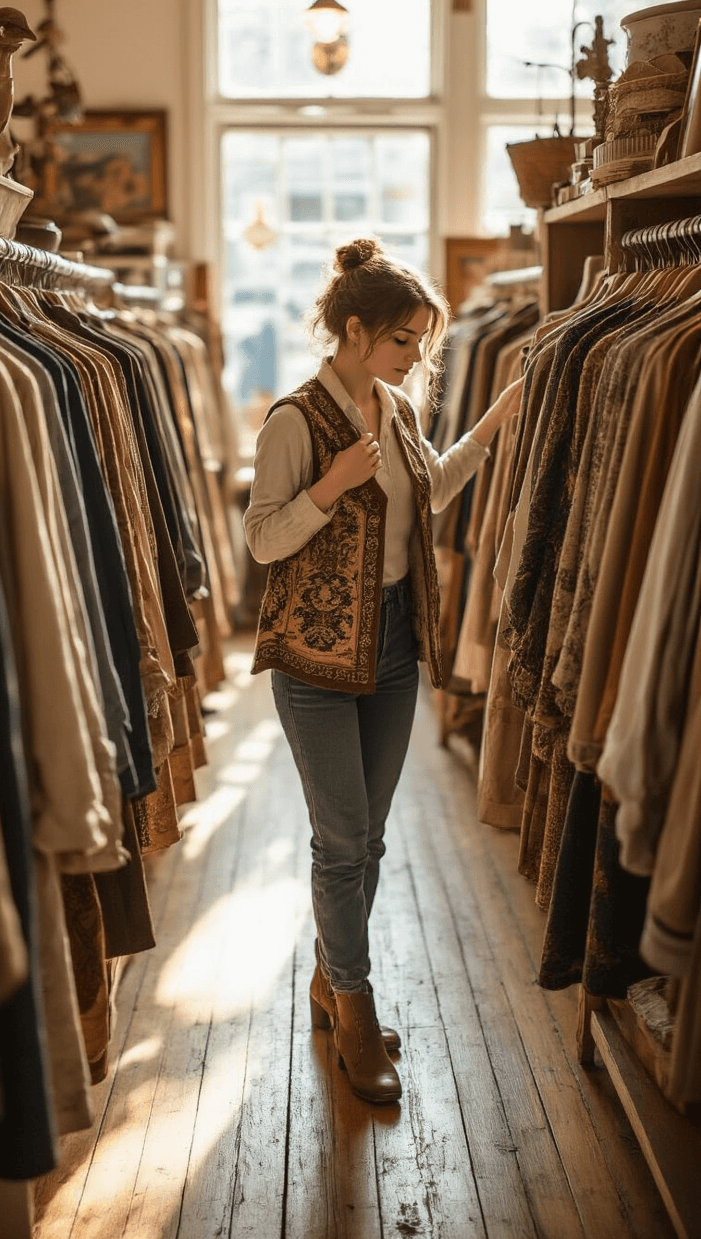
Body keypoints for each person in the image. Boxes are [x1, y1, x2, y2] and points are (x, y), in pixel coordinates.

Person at [243, 237, 522, 1105]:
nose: (418, 356)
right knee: (341, 840)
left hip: (395, 642)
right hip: (316, 656)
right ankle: (354, 1007)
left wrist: (493, 421)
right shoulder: (294, 420)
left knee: (370, 837)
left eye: (423, 342)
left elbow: (431, 491)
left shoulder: (397, 408)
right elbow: (259, 540)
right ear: (354, 330)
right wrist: (327, 488)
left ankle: (335, 979)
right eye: (405, 340)